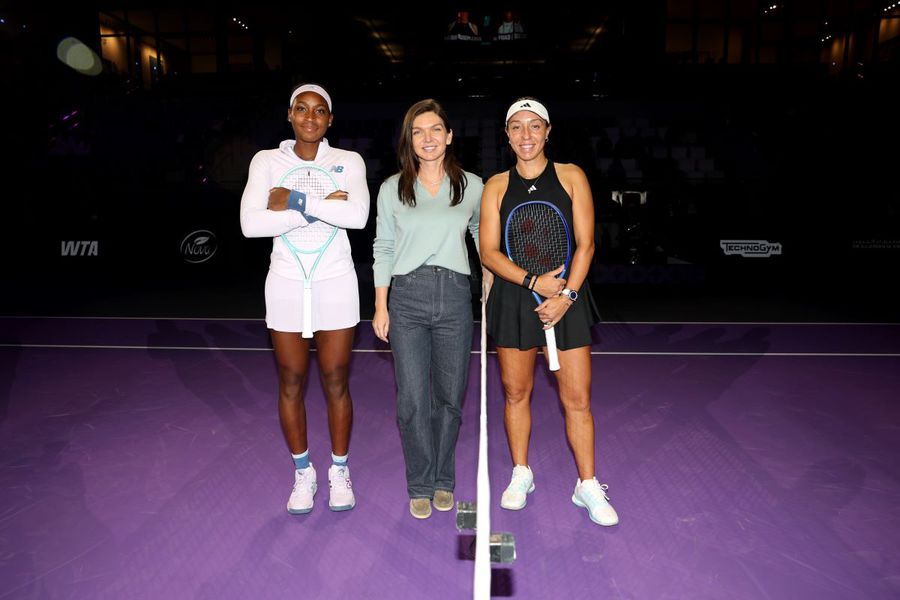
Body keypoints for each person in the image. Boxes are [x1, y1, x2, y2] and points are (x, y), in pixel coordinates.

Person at [480, 97, 619, 526]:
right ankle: (522, 473)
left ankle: (587, 484)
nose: (526, 135)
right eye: (517, 127)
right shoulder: (496, 186)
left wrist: (566, 296)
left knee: (577, 400)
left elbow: (586, 244)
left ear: (548, 131)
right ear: (507, 135)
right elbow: (488, 251)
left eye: (534, 126)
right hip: (515, 299)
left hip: (569, 299)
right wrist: (533, 282)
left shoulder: (572, 176)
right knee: (516, 393)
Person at [240, 83, 369, 515]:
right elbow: (251, 225)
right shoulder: (266, 161)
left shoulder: (347, 162)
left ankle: (338, 470)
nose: (310, 117)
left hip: (336, 282)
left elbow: (357, 215)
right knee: (291, 381)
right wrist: (319, 206)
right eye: (301, 109)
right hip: (286, 283)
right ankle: (303, 473)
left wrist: (291, 202)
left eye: (319, 111)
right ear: (290, 115)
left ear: (330, 120)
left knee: (336, 379)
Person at [372, 99, 484, 520]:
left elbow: (479, 235)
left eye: (435, 129)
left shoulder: (473, 185)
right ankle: (420, 482)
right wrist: (381, 305)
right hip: (407, 298)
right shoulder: (391, 188)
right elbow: (382, 247)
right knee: (413, 400)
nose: (428, 138)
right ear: (410, 140)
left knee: (450, 399)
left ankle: (444, 479)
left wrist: (487, 281)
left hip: (456, 296)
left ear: (450, 135)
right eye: (418, 132)